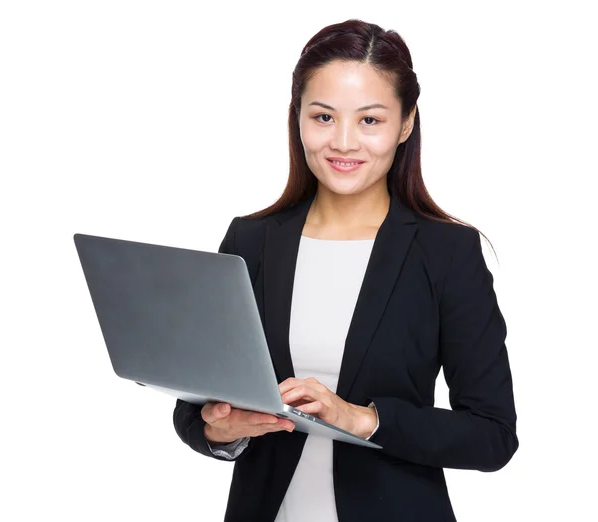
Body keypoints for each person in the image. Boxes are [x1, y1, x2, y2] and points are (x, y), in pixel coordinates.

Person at [173, 18, 518, 522]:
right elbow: (193, 408)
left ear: (405, 124)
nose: (343, 143)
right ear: (298, 118)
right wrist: (219, 430)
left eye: (370, 121)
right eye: (323, 117)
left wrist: (362, 420)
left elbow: (492, 436)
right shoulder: (251, 239)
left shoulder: (447, 252)